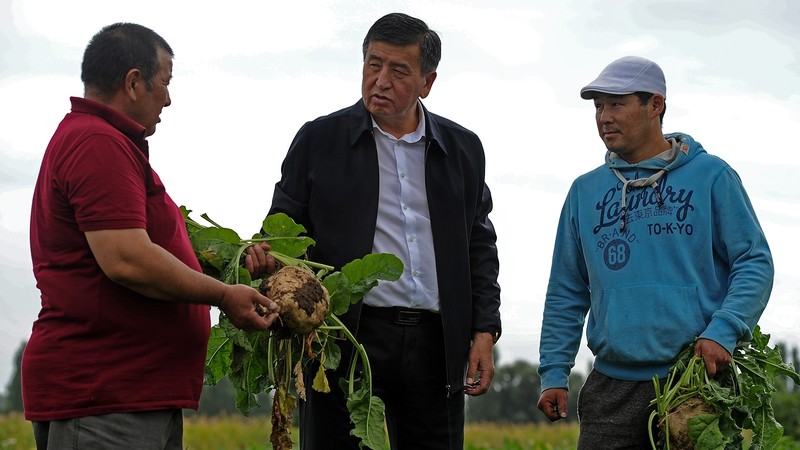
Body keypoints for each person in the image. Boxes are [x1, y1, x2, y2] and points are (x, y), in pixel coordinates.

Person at [23, 22, 279, 449]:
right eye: (165, 83)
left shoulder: (102, 141)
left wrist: (228, 267)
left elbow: (144, 253)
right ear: (133, 82)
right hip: (105, 394)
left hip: (126, 394)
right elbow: (127, 259)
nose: (168, 99)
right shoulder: (97, 142)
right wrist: (223, 295)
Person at [268, 12, 502, 450]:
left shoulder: (463, 149)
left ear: (427, 82)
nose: (380, 81)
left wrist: (485, 331)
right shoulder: (319, 140)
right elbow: (282, 233)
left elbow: (479, 244)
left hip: (437, 345)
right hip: (346, 338)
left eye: (399, 70)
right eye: (373, 65)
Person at [536, 55, 774, 448]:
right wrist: (554, 371)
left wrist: (724, 330)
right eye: (599, 107)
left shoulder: (712, 176)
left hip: (694, 381)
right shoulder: (585, 191)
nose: (604, 118)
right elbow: (567, 288)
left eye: (617, 104)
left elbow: (754, 262)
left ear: (655, 105)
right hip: (610, 387)